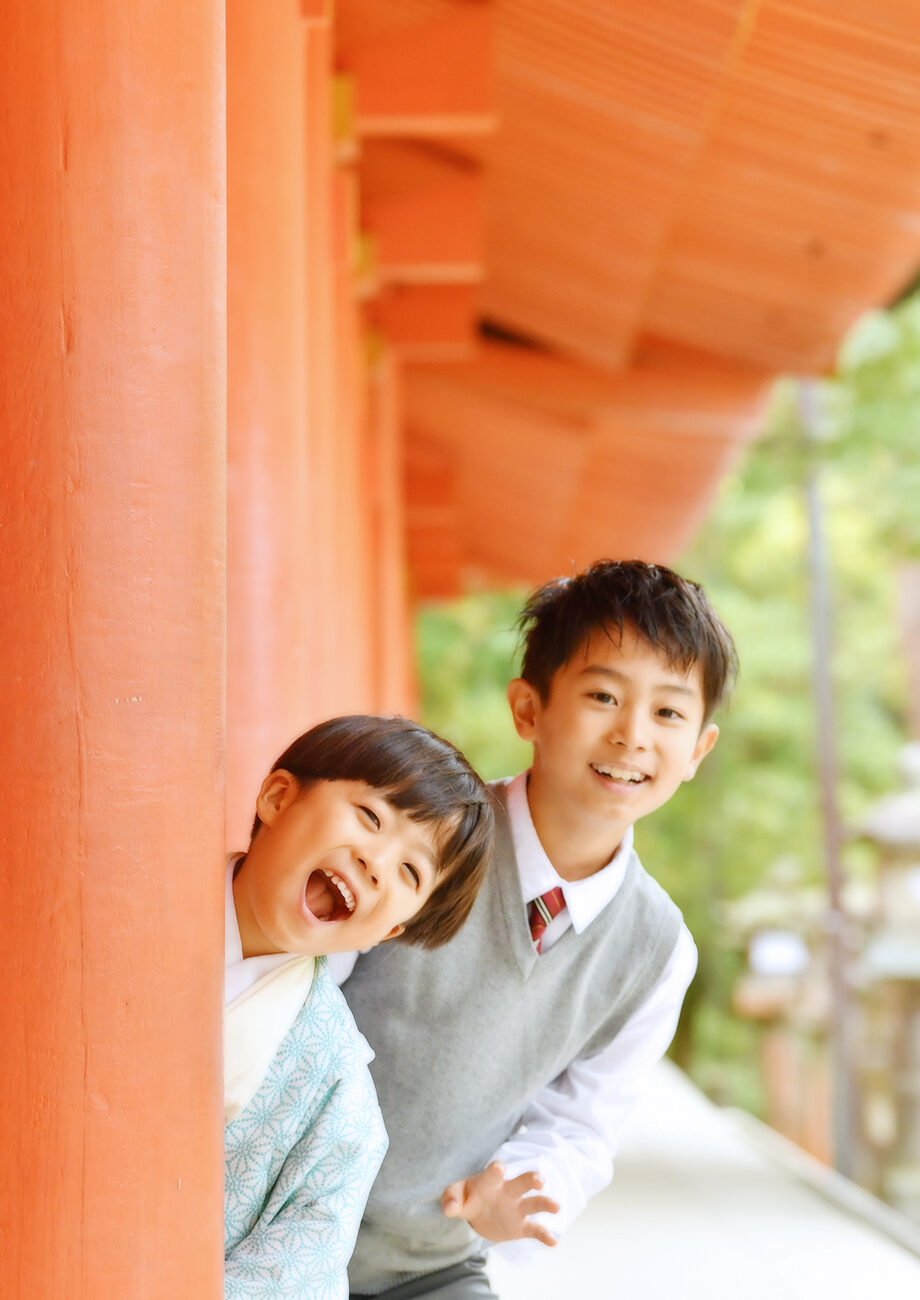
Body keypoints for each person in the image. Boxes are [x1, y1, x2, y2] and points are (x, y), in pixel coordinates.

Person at [341, 559, 737, 1299]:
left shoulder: (656, 952)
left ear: (698, 751)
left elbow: (583, 1123)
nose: (632, 735)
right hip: (285, 1222)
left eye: (668, 713)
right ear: (529, 710)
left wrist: (517, 1188)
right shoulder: (426, 844)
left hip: (431, 1263)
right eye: (603, 696)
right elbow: (303, 991)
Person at [223, 714, 495, 1299]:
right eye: (371, 817)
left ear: (390, 929)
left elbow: (292, 1276)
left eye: (409, 870)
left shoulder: (339, 1100)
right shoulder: (114, 891)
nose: (375, 862)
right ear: (278, 796)